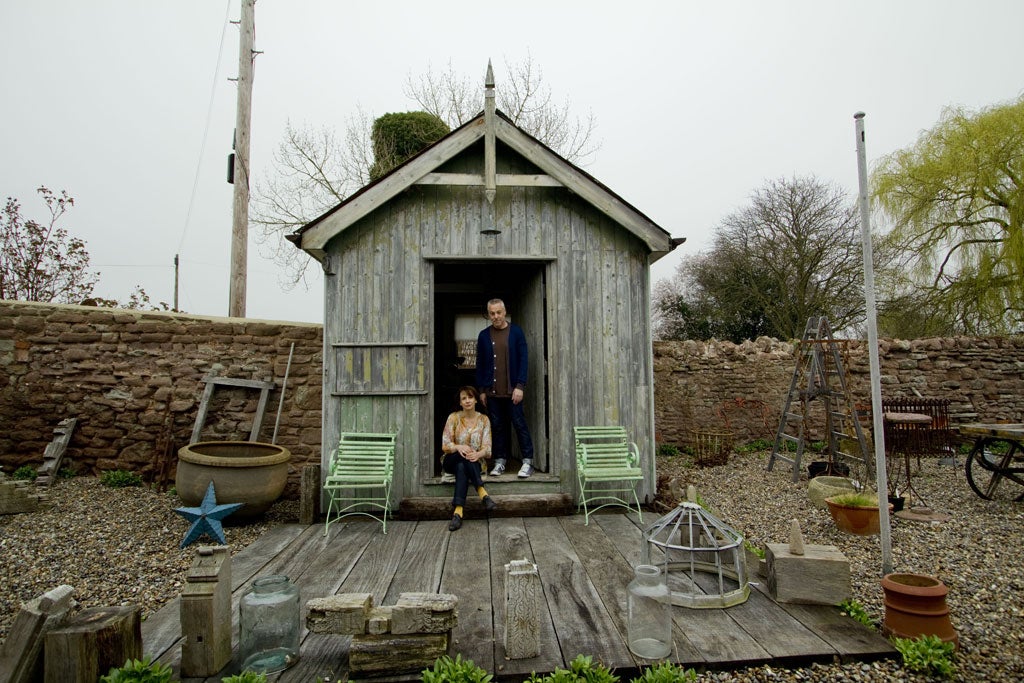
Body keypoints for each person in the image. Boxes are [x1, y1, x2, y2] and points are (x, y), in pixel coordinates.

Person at [476, 298, 535, 478]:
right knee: (497, 426)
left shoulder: (516, 332)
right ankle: (500, 462)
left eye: (498, 312)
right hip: (492, 392)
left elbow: (524, 360)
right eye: (492, 313)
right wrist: (482, 390)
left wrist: (520, 386)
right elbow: (480, 364)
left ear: (504, 311)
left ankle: (527, 461)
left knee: (519, 423)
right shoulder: (484, 335)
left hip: (512, 392)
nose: (496, 316)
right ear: (489, 314)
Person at [440, 385, 497, 531]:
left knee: (462, 466)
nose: (467, 401)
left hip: (474, 461)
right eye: (463, 398)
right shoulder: (453, 418)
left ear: (476, 400)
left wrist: (477, 454)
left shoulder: (484, 420)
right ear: (460, 403)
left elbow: (488, 449)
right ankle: (482, 493)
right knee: (460, 460)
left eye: (470, 397)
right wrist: (459, 447)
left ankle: (458, 513)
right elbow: (445, 444)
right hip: (451, 459)